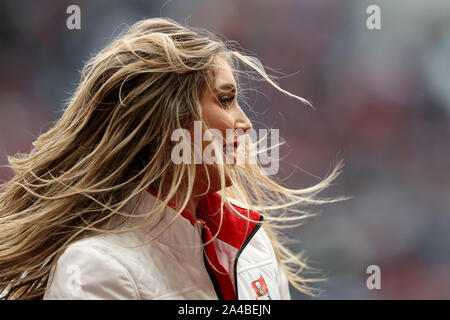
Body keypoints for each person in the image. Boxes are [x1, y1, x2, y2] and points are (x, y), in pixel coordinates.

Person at [0, 18, 343, 300]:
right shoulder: (97, 268)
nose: (246, 122)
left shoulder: (254, 249)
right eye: (225, 100)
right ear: (165, 122)